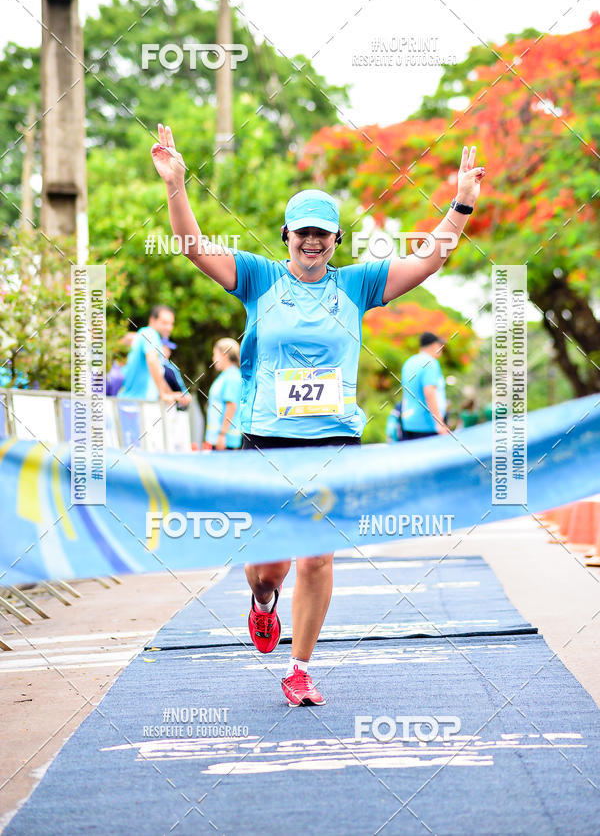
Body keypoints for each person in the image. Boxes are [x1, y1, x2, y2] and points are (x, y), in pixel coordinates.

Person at [151, 122, 485, 706]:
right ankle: (261, 602)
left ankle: (299, 668)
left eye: (324, 236)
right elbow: (194, 248)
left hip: (332, 440)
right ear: (286, 235)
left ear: (336, 241)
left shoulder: (358, 285)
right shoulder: (257, 277)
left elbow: (430, 261)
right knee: (269, 569)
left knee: (318, 558)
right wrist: (177, 184)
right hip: (267, 439)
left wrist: (459, 205)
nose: (313, 243)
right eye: (304, 233)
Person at [118, 305, 190, 406]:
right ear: (152, 320)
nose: (169, 327)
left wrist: (170, 394)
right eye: (164, 323)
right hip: (136, 405)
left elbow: (156, 373)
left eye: (171, 324)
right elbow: (152, 360)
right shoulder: (150, 333)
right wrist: (163, 394)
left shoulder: (147, 336)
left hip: (136, 404)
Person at [400, 332, 450, 440]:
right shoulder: (431, 363)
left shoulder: (409, 362)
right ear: (435, 345)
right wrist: (440, 423)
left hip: (408, 423)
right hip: (427, 426)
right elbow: (430, 392)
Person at [203, 338, 242, 451]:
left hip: (225, 439)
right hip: (218, 438)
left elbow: (231, 406)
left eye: (215, 354)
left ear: (224, 355)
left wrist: (222, 435)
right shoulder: (226, 375)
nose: (213, 359)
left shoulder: (232, 377)